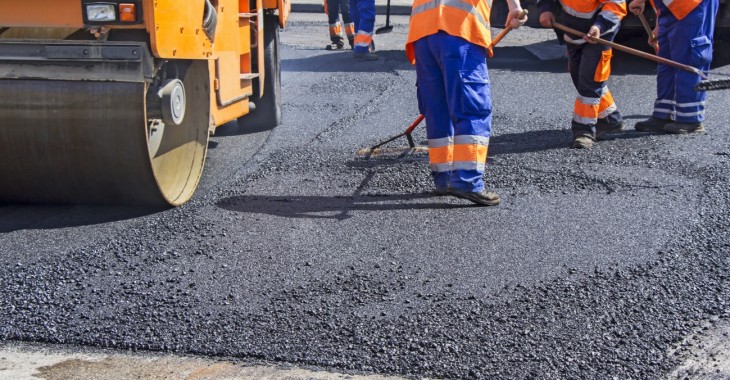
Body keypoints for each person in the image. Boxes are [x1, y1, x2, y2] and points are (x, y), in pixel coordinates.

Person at [405, 0, 527, 206]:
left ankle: (443, 178)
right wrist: (514, 6)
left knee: (438, 109)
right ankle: (467, 180)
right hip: (458, 29)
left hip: (423, 33)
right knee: (471, 107)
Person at [538, 0, 627, 149]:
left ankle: (584, 131)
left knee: (590, 80)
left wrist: (599, 26)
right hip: (573, 31)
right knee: (579, 76)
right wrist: (545, 9)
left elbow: (616, 5)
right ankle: (611, 118)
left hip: (600, 34)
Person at [629, 0, 719, 134]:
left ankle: (690, 119)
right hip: (671, 7)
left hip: (691, 5)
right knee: (666, 60)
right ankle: (664, 115)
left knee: (689, 58)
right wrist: (660, 26)